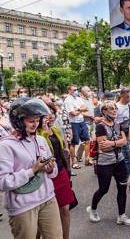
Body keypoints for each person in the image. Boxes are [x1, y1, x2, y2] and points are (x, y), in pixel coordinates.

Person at [0, 98, 62, 239]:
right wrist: (31, 170)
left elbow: (53, 173)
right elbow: (2, 182)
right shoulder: (6, 146)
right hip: (23, 207)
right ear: (19, 121)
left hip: (48, 199)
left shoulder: (40, 140)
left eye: (37, 120)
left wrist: (50, 168)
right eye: (31, 121)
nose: (35, 124)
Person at [87, 101, 130, 226]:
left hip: (120, 160)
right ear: (104, 112)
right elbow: (103, 148)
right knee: (103, 189)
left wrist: (112, 143)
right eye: (111, 109)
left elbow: (125, 141)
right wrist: (118, 142)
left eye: (115, 109)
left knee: (122, 188)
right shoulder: (100, 126)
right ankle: (92, 209)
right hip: (105, 162)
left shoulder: (118, 124)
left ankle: (121, 216)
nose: (114, 111)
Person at [38, 102, 74, 239]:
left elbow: (63, 150)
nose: (50, 117)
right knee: (43, 214)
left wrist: (68, 164)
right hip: (46, 176)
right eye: (46, 114)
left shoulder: (57, 130)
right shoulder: (37, 134)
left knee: (65, 209)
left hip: (61, 172)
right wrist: (43, 129)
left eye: (52, 113)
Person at [64, 85, 91, 168]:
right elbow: (73, 113)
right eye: (74, 90)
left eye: (76, 89)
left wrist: (78, 109)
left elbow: (86, 108)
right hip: (73, 123)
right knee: (73, 143)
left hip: (82, 121)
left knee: (87, 140)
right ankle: (74, 162)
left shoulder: (78, 98)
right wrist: (80, 109)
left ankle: (87, 159)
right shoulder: (68, 100)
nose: (76, 91)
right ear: (69, 90)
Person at [115, 88, 130, 174]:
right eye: (127, 97)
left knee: (129, 156)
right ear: (122, 95)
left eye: (129, 97)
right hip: (121, 135)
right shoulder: (116, 106)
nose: (128, 99)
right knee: (125, 156)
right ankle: (126, 175)